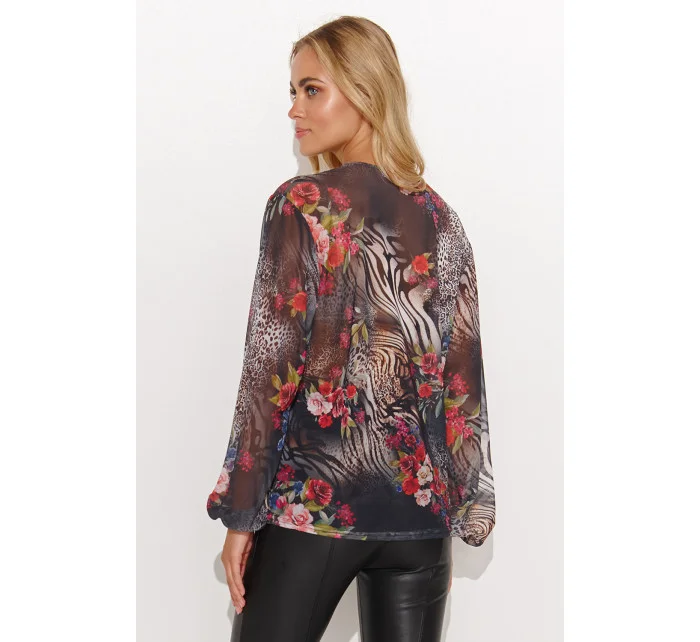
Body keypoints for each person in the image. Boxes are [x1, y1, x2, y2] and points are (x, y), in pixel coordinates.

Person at [206, 16, 496, 642]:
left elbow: (270, 369)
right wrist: (465, 510)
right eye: (293, 91)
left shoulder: (302, 205)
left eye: (312, 89)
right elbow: (462, 385)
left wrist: (241, 513)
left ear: (365, 90)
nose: (294, 109)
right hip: (420, 522)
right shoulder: (441, 219)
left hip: (316, 512)